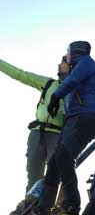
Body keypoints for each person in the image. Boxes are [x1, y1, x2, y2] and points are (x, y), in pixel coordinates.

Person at [20, 41, 95, 215]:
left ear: (73, 53)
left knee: (63, 158)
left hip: (85, 119)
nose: (64, 58)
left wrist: (55, 96)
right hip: (77, 120)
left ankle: (71, 206)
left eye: (66, 53)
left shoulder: (84, 63)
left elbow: (74, 83)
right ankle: (41, 211)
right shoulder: (82, 72)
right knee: (54, 163)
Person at [0, 57, 68, 194]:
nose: (59, 64)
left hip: (57, 136)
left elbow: (94, 105)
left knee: (56, 174)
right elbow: (21, 75)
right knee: (33, 175)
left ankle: (55, 207)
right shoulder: (49, 83)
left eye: (63, 62)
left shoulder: (78, 89)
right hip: (37, 134)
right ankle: (28, 208)